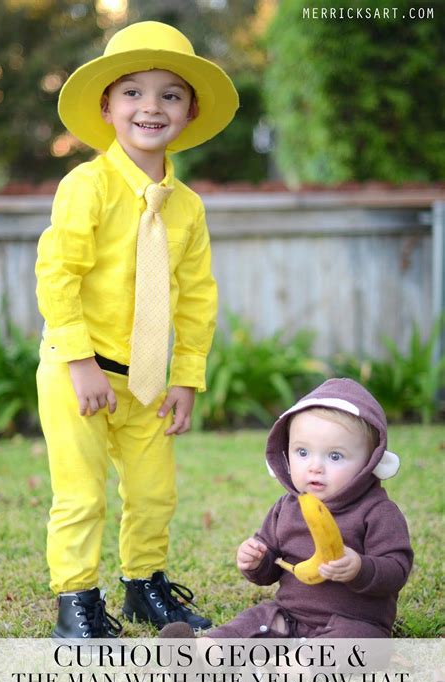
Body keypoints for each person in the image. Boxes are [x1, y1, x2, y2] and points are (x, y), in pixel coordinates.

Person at [35, 20, 239, 638]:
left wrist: (186, 379)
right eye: (133, 92)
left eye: (169, 94)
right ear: (106, 106)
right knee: (82, 495)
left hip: (149, 380)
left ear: (189, 110)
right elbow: (57, 275)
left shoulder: (188, 207)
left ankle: (143, 587)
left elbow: (197, 299)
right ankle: (76, 602)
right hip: (81, 370)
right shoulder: (86, 186)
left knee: (154, 495)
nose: (151, 106)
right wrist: (78, 361)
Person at [161, 378, 413, 639]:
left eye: (335, 456)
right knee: (256, 619)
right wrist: (257, 561)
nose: (315, 467)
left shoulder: (377, 512)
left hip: (354, 622)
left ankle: (292, 669)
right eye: (302, 452)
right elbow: (270, 564)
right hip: (289, 615)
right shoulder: (287, 507)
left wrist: (360, 568)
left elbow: (397, 569)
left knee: (356, 641)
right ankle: (201, 654)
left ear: (369, 461)